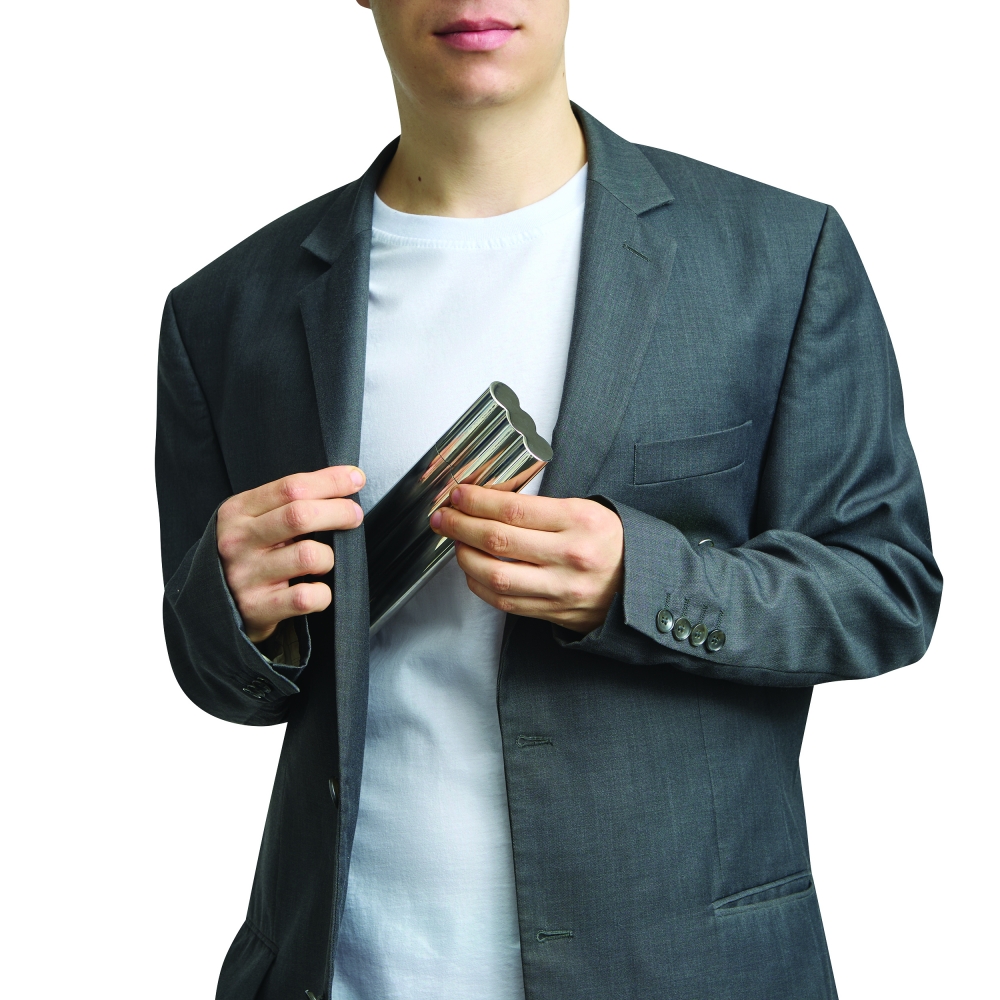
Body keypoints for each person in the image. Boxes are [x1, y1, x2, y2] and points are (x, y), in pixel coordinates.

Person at [155, 1, 942, 998]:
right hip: (343, 969)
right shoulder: (225, 312)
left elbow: (885, 590)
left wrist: (634, 580)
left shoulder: (779, 259)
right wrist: (236, 615)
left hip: (680, 968)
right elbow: (227, 682)